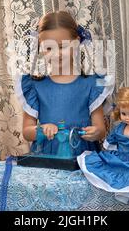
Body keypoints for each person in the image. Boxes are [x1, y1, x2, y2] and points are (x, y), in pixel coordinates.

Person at [14, 10, 114, 156]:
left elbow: (100, 129)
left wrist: (96, 132)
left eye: (62, 46)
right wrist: (42, 130)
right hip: (48, 155)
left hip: (83, 156)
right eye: (49, 48)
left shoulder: (91, 83)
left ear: (76, 42)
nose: (57, 53)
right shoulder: (35, 85)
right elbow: (27, 132)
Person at [77, 87, 129, 208]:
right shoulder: (120, 128)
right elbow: (112, 138)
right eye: (123, 113)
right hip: (119, 155)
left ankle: (128, 192)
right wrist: (108, 148)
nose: (127, 117)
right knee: (104, 164)